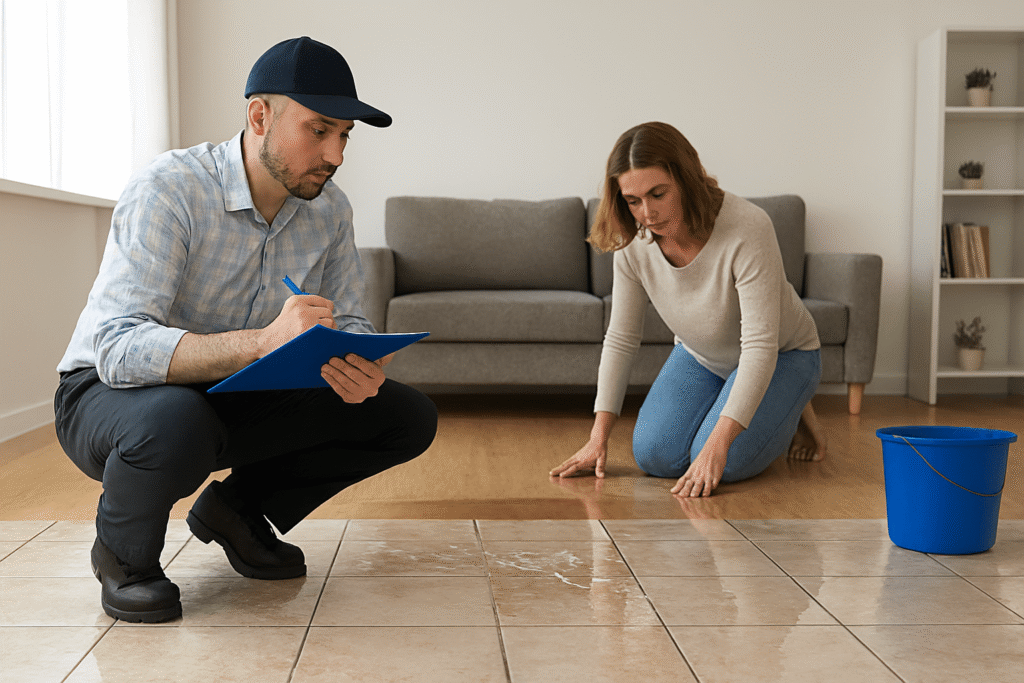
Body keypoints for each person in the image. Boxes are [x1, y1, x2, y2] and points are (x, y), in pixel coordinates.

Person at [54, 37, 437, 623]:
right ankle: (124, 558)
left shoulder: (329, 209)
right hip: (107, 396)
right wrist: (262, 342)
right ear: (260, 116)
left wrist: (361, 363)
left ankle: (237, 509)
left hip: (230, 393)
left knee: (401, 415)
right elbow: (116, 348)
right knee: (176, 418)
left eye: (345, 136)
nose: (336, 154)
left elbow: (351, 319)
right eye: (319, 130)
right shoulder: (170, 189)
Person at [551, 122, 827, 497]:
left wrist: (717, 445)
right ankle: (764, 408)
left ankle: (791, 403)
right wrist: (597, 438)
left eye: (658, 194)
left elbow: (761, 345)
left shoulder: (748, 226)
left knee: (722, 462)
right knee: (654, 457)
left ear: (685, 179)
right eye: (633, 201)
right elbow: (620, 339)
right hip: (704, 357)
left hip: (783, 354)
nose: (647, 213)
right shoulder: (635, 241)